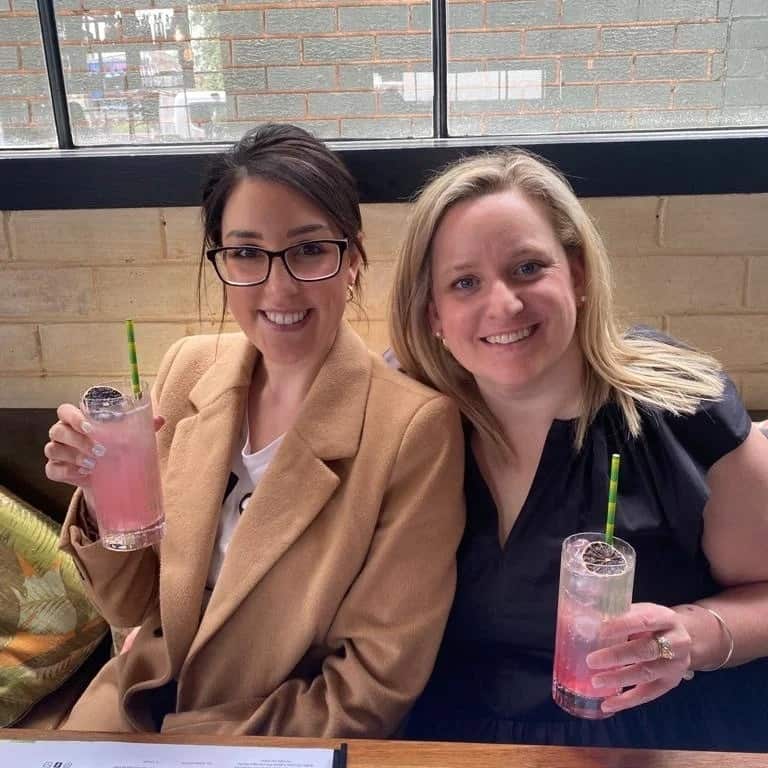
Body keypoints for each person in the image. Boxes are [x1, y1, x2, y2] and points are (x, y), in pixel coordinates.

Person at [42, 123, 464, 736]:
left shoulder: (413, 430)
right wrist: (102, 495)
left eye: (309, 249)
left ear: (352, 258)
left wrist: (186, 746)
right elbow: (132, 607)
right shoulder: (188, 367)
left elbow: (370, 688)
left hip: (271, 732)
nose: (279, 286)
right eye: (245, 253)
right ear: (220, 261)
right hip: (138, 700)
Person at [389, 149, 768, 751]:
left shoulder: (681, 410)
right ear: (433, 313)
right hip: (449, 745)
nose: (505, 305)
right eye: (465, 282)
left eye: (527, 268)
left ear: (579, 273)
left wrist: (692, 636)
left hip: (649, 743)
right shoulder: (401, 419)